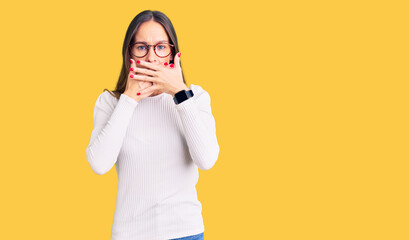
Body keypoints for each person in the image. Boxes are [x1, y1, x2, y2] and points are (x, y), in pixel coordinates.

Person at [85, 10, 220, 240]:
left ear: (173, 53)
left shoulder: (195, 98)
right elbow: (98, 164)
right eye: (142, 47)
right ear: (130, 52)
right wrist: (128, 99)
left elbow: (207, 160)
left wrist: (179, 93)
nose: (152, 58)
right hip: (130, 234)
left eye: (160, 47)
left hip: (185, 232)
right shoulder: (110, 103)